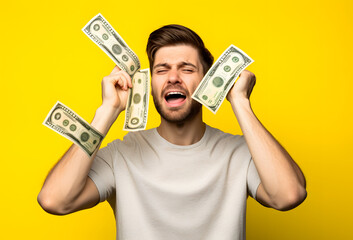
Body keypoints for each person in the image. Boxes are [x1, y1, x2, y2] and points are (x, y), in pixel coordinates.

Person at [38, 24, 307, 240]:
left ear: (209, 82)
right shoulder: (121, 154)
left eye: (187, 69)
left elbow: (288, 196)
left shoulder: (239, 153)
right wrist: (107, 111)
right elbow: (54, 200)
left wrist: (240, 102)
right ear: (149, 82)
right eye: (161, 70)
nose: (173, 77)